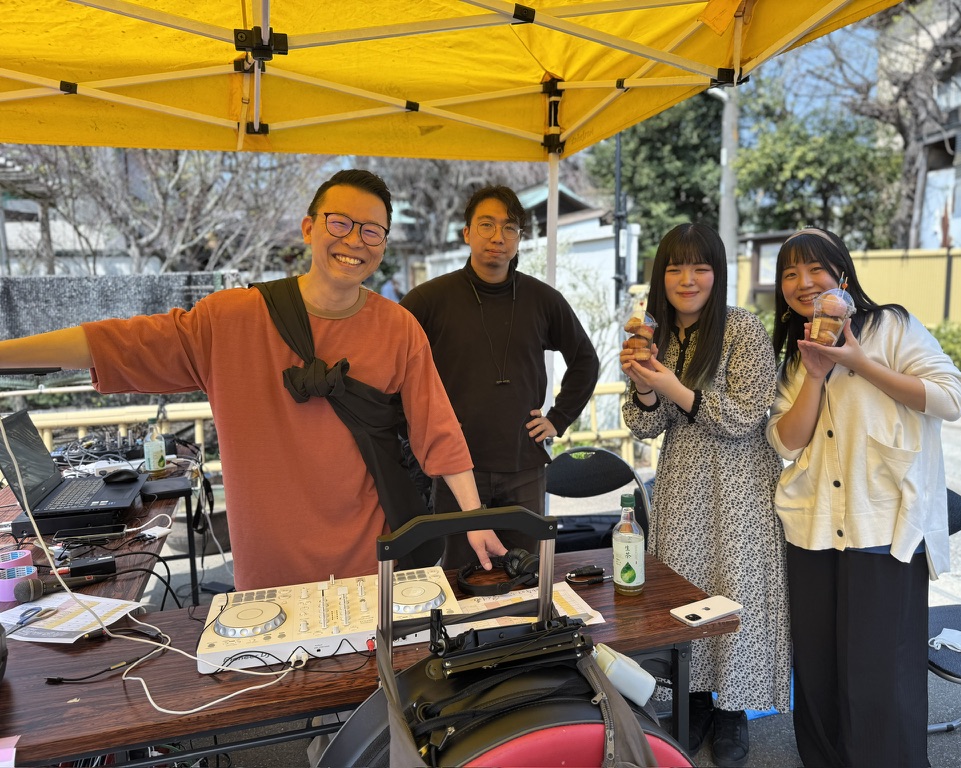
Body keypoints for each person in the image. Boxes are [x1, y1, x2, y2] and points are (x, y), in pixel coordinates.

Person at [0, 169, 505, 590]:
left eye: (372, 231)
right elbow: (118, 342)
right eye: (340, 222)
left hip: (368, 558)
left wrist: (475, 517)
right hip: (268, 569)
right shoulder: (232, 318)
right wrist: (7, 354)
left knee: (370, 699)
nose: (355, 240)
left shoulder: (398, 328)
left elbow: (437, 428)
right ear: (308, 228)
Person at [766, 228, 961, 768]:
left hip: (884, 529)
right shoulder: (795, 353)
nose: (803, 283)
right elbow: (787, 443)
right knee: (817, 673)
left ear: (843, 274)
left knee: (879, 677)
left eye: (816, 270)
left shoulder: (892, 327)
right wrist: (815, 376)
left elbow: (952, 398)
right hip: (811, 527)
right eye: (790, 274)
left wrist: (857, 362)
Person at [620, 222, 790, 768]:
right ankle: (691, 702)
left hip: (739, 486)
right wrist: (645, 384)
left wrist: (668, 385)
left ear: (717, 272)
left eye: (700, 267)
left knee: (734, 591)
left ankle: (732, 712)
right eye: (675, 267)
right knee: (686, 593)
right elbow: (644, 426)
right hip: (682, 484)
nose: (687, 279)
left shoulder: (742, 328)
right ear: (660, 275)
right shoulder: (656, 333)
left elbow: (742, 416)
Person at [401, 185, 599, 567]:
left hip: (523, 464)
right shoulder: (429, 299)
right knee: (459, 575)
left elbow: (585, 360)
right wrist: (419, 428)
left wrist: (558, 418)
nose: (498, 237)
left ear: (520, 238)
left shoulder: (543, 299)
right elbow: (394, 367)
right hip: (457, 467)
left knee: (526, 573)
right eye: (487, 225)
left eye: (510, 228)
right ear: (466, 233)